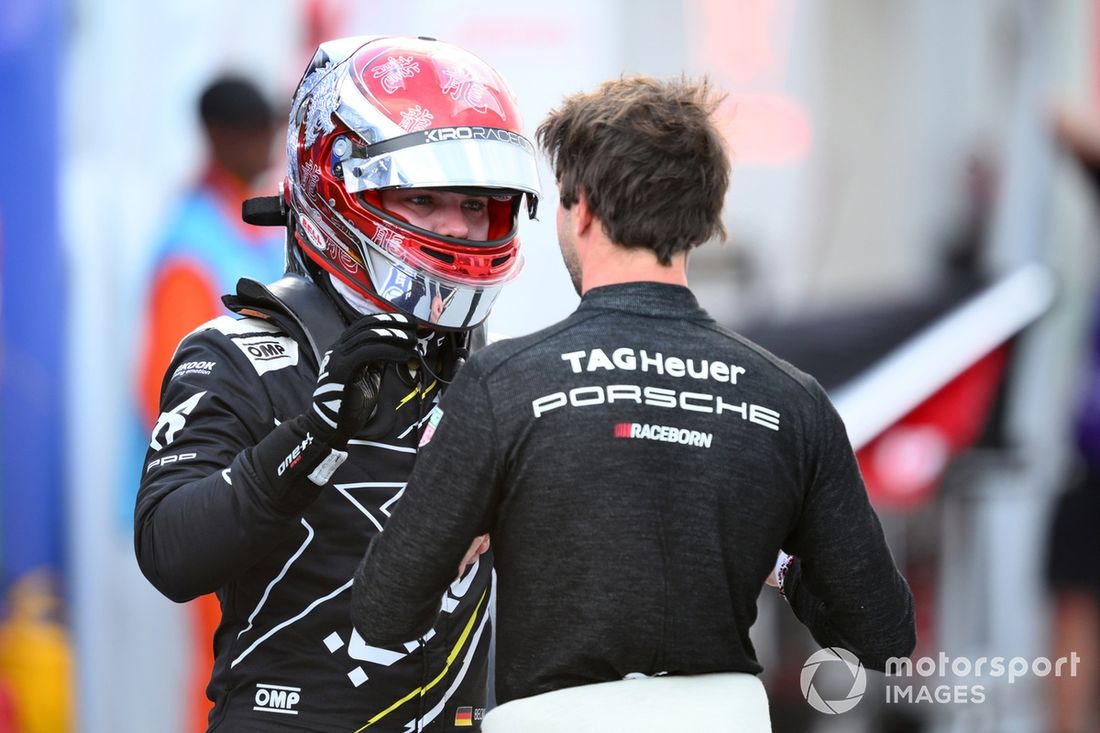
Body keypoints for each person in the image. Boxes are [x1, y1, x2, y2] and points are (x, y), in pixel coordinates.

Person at [351, 75, 916, 720]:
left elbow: (384, 613)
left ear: (583, 207)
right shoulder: (792, 400)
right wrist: (781, 564)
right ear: (704, 220)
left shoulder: (499, 383)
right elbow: (884, 635)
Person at [134, 35, 540, 732]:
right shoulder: (236, 354)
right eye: (423, 198)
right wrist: (314, 436)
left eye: (476, 203)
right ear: (338, 188)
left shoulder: (503, 368)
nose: (457, 226)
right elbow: (170, 551)